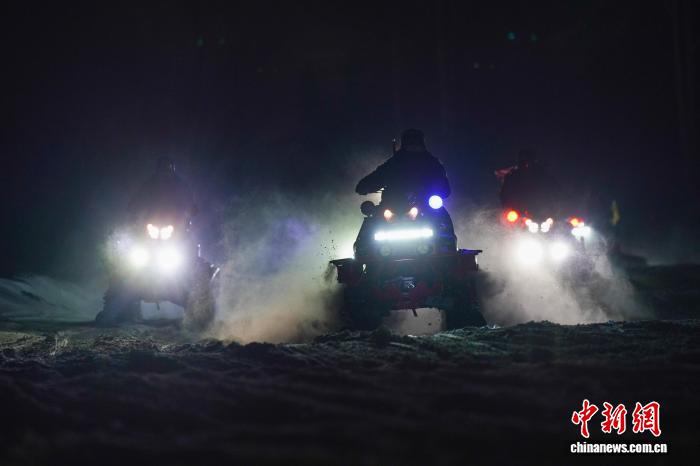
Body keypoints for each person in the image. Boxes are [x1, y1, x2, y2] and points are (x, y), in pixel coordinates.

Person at [355, 129, 450, 206]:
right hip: (393, 206)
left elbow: (444, 186)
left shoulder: (432, 163)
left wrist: (438, 191)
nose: (413, 145)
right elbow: (380, 175)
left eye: (416, 142)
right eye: (410, 142)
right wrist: (365, 186)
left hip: (425, 207)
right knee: (371, 219)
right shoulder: (394, 163)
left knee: (442, 219)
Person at [128, 156, 197, 223]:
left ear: (172, 170)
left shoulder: (180, 184)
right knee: (136, 227)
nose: (165, 173)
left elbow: (187, 196)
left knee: (187, 227)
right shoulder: (150, 183)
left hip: (175, 218)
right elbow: (140, 195)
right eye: (162, 169)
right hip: (152, 217)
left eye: (167, 169)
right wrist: (133, 206)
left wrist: (192, 207)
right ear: (158, 170)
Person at [499, 149, 561, 215]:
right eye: (523, 160)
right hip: (518, 209)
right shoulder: (513, 175)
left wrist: (559, 201)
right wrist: (507, 206)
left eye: (529, 160)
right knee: (508, 218)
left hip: (541, 208)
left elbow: (555, 187)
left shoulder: (542, 173)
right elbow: (504, 192)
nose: (527, 164)